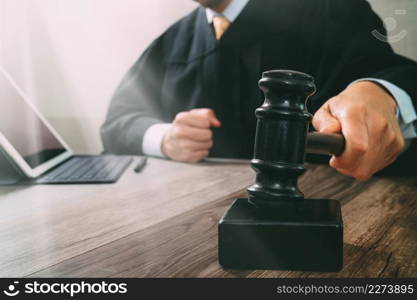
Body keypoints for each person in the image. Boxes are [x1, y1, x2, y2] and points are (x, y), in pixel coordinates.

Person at [101, 0, 417, 179]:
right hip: (195, 228)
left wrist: (381, 92)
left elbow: (392, 73)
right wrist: (165, 137)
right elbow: (118, 121)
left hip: (327, 216)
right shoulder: (173, 41)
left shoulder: (327, 8)